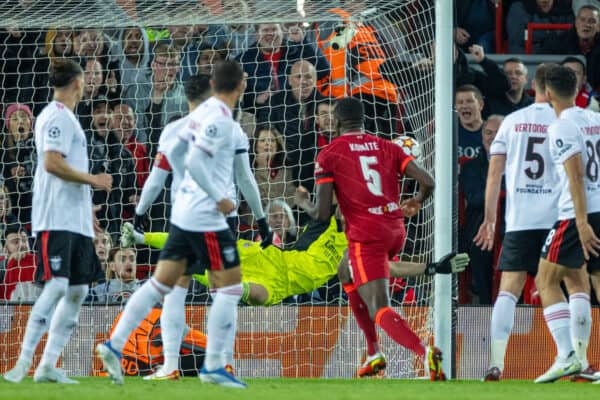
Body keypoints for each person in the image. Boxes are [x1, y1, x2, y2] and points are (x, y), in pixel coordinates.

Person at [96, 60, 272, 388]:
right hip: (214, 218)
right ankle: (221, 365)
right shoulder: (225, 124)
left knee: (167, 287)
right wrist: (254, 215)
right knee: (229, 289)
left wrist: (139, 214)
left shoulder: (177, 126)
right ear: (237, 87)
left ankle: (138, 352)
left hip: (181, 215)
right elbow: (243, 178)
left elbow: (160, 172)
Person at [305, 97, 443, 380]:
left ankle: (424, 352)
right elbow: (428, 181)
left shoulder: (329, 153)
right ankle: (373, 352)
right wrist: (416, 200)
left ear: (338, 121)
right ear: (363, 120)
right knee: (345, 269)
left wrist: (302, 202)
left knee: (378, 306)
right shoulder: (388, 147)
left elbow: (321, 214)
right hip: (394, 229)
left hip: (366, 235)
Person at [2, 59, 112, 384]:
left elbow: (67, 166)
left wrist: (88, 210)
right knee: (59, 284)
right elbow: (51, 163)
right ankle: (22, 363)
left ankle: (48, 365)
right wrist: (93, 180)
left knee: (77, 290)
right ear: (77, 82)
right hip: (55, 216)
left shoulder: (69, 118)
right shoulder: (56, 116)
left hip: (75, 217)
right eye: (86, 78)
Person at [474, 64, 580, 380]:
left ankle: (495, 363)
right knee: (573, 285)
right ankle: (576, 356)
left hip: (521, 220)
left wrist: (489, 220)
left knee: (509, 288)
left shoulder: (511, 122)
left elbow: (494, 174)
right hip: (558, 218)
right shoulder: (565, 121)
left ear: (535, 85)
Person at [121, 217, 468, 307]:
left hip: (283, 284)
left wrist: (431, 267)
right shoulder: (327, 222)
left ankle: (205, 275)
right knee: (202, 240)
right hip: (267, 255)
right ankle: (140, 238)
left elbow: (386, 268)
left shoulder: (358, 244)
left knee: (253, 295)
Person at [534, 65, 600, 383]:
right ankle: (582, 360)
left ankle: (566, 356)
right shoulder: (595, 119)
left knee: (545, 281)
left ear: (548, 93)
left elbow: (576, 175)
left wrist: (582, 222)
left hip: (576, 214)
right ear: (576, 89)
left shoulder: (561, 126)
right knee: (585, 281)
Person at [460, 115, 503, 305]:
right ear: (482, 135)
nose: (492, 137)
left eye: (498, 132)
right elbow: (475, 199)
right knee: (480, 246)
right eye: (488, 132)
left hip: (511, 225)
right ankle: (485, 305)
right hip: (480, 226)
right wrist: (501, 192)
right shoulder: (470, 167)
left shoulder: (519, 164)